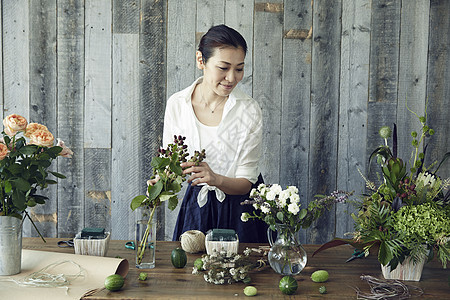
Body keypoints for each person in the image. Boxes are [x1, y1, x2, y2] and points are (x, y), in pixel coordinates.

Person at [161, 24, 267, 243]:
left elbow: (247, 183)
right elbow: (169, 162)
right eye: (223, 67)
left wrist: (215, 178)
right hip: (196, 206)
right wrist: (161, 179)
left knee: (243, 272)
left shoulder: (249, 110)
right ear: (201, 60)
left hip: (242, 210)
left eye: (239, 68)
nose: (231, 78)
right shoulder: (177, 104)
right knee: (190, 269)